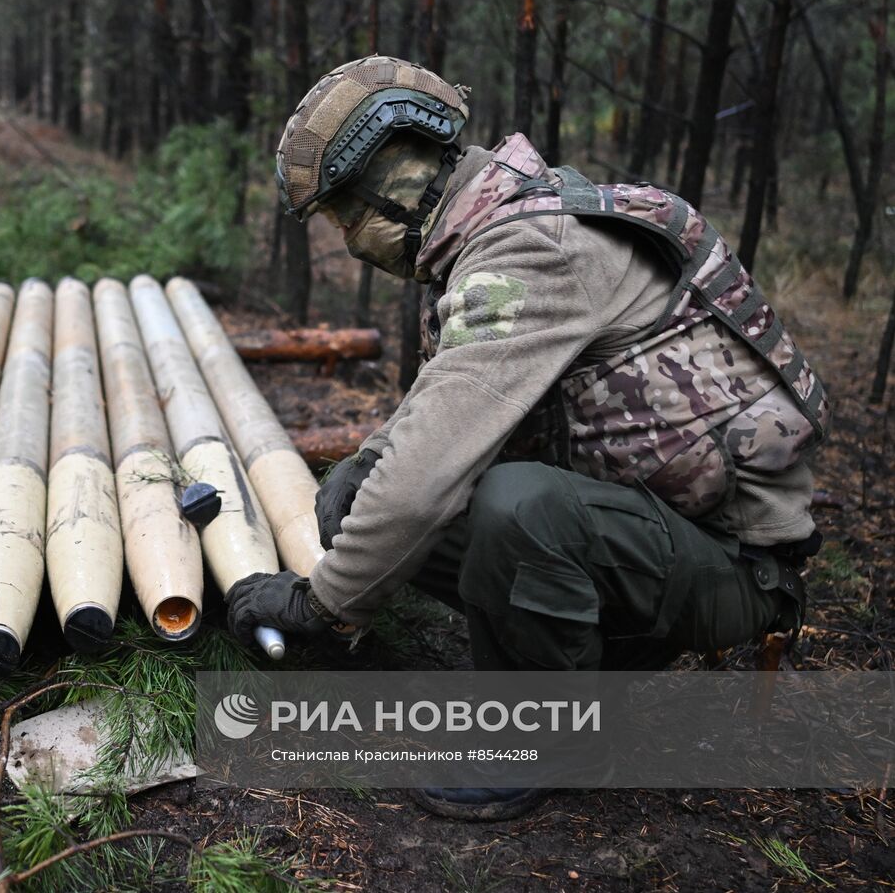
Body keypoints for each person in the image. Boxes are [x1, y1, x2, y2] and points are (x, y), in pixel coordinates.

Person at [224, 55, 826, 820]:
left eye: (347, 215)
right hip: (647, 528)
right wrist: (364, 476)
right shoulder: (495, 236)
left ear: (398, 184)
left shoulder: (532, 249)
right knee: (358, 489)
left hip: (732, 567)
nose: (348, 241)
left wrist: (319, 605)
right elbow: (436, 422)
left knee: (517, 506)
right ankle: (584, 656)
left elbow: (425, 483)